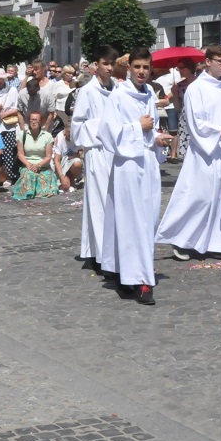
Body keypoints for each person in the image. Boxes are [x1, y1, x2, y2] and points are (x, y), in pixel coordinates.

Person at [158, 44, 221, 260]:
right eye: (220, 61)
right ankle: (182, 240)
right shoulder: (196, 88)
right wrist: (220, 131)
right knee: (199, 196)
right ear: (208, 62)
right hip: (204, 152)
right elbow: (196, 122)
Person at [99, 48, 173, 304]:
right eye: (137, 67)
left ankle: (129, 272)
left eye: (146, 67)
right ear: (129, 68)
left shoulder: (149, 92)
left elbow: (151, 129)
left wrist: (157, 138)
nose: (142, 72)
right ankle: (138, 279)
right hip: (128, 165)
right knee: (131, 221)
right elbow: (107, 132)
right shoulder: (118, 96)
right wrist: (137, 127)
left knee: (148, 220)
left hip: (148, 162)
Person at [69, 47, 116, 267]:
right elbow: (77, 125)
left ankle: (109, 249)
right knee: (98, 201)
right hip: (97, 151)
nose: (109, 68)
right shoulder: (88, 91)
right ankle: (100, 254)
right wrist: (105, 126)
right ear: (96, 65)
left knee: (113, 202)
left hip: (115, 151)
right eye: (105, 63)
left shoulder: (118, 89)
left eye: (112, 63)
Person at [12, 111, 58, 200]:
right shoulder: (22, 134)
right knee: (30, 175)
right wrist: (29, 165)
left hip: (43, 166)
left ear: (41, 122)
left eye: (36, 120)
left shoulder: (47, 136)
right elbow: (20, 154)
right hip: (27, 165)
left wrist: (38, 165)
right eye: (31, 120)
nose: (33, 122)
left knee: (45, 177)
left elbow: (48, 156)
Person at [53, 126, 83, 193]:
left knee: (77, 163)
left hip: (71, 161)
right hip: (61, 162)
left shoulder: (77, 136)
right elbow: (57, 160)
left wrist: (76, 155)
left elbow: (81, 150)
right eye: (68, 136)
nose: (69, 138)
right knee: (64, 185)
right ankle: (65, 180)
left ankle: (71, 180)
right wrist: (62, 177)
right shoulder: (60, 138)